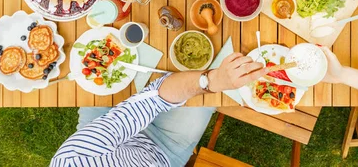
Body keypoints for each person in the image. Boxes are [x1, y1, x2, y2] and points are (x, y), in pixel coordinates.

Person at [50, 53, 267, 167]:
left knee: (101, 60)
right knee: (209, 96)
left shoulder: (75, 159)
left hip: (102, 126)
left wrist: (210, 80)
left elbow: (152, 99)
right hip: (163, 150)